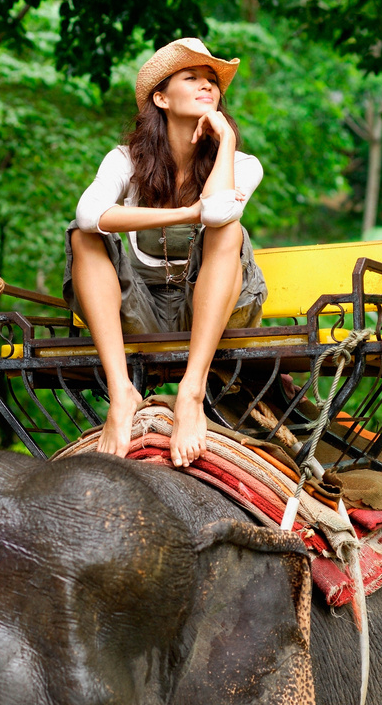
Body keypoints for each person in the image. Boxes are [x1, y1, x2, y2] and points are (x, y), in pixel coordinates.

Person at [64, 37, 267, 469]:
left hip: (215, 311)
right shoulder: (125, 160)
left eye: (212, 80)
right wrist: (183, 212)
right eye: (190, 77)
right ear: (161, 97)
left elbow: (216, 214)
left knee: (230, 229)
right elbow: (87, 215)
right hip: (140, 310)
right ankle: (122, 394)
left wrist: (226, 139)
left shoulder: (243, 163)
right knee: (82, 237)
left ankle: (190, 393)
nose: (206, 86)